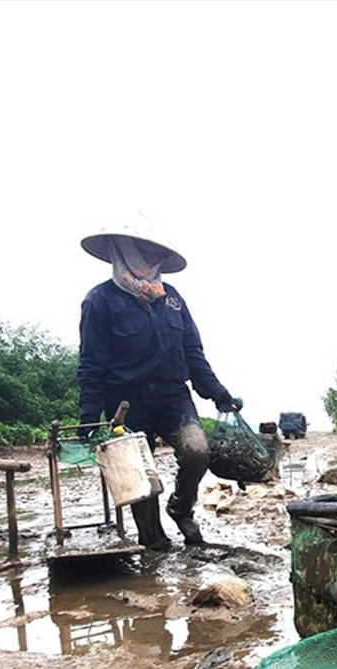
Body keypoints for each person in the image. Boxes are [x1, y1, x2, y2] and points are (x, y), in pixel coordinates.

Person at [76, 213, 241, 551]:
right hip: (125, 401)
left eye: (156, 252)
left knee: (197, 452)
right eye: (143, 249)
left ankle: (180, 508)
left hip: (172, 397)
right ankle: (154, 545)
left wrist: (218, 393)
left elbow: (193, 353)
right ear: (124, 250)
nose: (152, 258)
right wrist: (89, 416)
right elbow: (91, 365)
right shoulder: (100, 300)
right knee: (140, 474)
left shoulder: (172, 299)